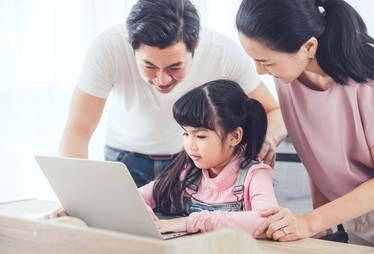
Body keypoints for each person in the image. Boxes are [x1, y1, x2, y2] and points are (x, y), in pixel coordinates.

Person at [59, 0, 287, 187]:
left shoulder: (224, 54)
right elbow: (78, 130)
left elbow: (274, 110)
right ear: (131, 45)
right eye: (149, 66)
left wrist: (268, 138)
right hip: (124, 160)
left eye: (174, 68)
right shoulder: (107, 48)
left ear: (196, 46)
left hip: (192, 163)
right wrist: (74, 192)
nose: (162, 79)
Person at [236, 0, 374, 252]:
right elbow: (316, 156)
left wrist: (310, 222)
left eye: (266, 61)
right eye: (254, 59)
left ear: (308, 46)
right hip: (353, 218)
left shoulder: (373, 81)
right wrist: (321, 224)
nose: (260, 71)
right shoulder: (288, 74)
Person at [138, 79, 278, 235]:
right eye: (185, 133)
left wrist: (192, 222)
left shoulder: (256, 175)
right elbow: (137, 196)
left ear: (234, 136)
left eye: (201, 136)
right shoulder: (188, 172)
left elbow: (266, 220)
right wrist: (141, 211)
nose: (190, 145)